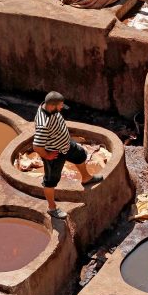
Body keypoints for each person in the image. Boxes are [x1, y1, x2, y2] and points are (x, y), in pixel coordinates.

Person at [34, 91, 101, 219]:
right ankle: (52, 208)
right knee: (50, 181)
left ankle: (86, 178)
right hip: (54, 153)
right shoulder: (43, 124)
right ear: (52, 105)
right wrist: (47, 156)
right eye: (60, 106)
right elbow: (36, 146)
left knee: (81, 155)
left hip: (65, 144)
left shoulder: (48, 107)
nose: (61, 108)